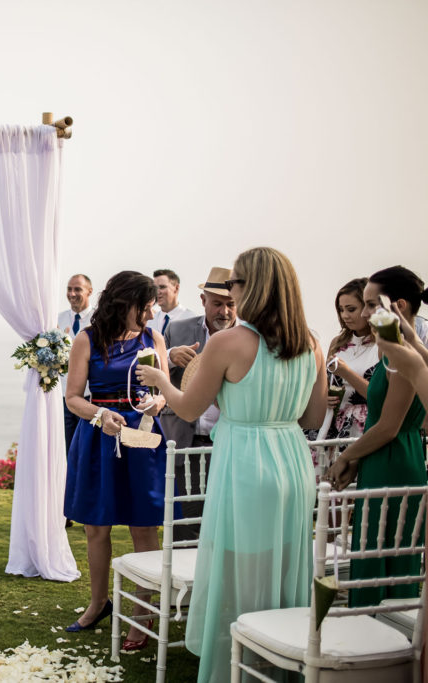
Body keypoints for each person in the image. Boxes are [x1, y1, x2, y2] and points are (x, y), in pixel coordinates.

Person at [137, 247, 326, 683]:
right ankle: (278, 655)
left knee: (239, 565)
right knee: (283, 563)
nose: (231, 292)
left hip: (245, 461)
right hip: (293, 462)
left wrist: (163, 379)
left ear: (253, 287)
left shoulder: (229, 342)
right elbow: (314, 419)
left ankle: (240, 658)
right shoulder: (311, 343)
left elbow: (187, 409)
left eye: (236, 284)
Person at [62, 271, 169, 650]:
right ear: (128, 304)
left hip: (142, 437)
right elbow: (72, 397)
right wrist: (100, 416)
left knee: (144, 526)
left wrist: (157, 402)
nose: (153, 310)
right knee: (97, 526)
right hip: (99, 437)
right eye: (147, 304)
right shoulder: (86, 339)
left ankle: (143, 612)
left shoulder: (153, 338)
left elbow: (164, 393)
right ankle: (97, 603)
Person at [325, 266, 426, 607]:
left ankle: (384, 634)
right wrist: (358, 460)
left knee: (385, 552)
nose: (366, 313)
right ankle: (370, 629)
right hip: (383, 457)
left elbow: (388, 425)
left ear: (397, 305)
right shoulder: (394, 348)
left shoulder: (403, 355)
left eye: (371, 305)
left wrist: (345, 457)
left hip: (396, 460)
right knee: (371, 548)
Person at [161, 267, 236, 542]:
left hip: (230, 440)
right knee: (187, 522)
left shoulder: (247, 336)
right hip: (185, 438)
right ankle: (185, 583)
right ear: (203, 300)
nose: (224, 312)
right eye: (217, 304)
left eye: (231, 304)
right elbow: (154, 376)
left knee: (227, 521)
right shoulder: (178, 328)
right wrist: (169, 357)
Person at [313, 278, 377, 442]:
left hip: (366, 427)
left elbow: (381, 396)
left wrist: (346, 373)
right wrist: (324, 397)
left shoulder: (382, 345)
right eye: (341, 310)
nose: (345, 316)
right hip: (333, 425)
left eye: (351, 309)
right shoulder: (338, 342)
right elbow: (324, 384)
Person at [58, 274, 94, 452]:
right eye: (69, 289)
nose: (72, 294)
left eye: (77, 289)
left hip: (90, 395)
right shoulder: (56, 320)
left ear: (89, 291)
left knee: (87, 448)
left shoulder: (99, 320)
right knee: (66, 449)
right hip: (62, 396)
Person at [146, 269, 194, 335]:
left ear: (176, 288)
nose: (157, 292)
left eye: (162, 287)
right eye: (155, 288)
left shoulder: (191, 319)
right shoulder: (149, 320)